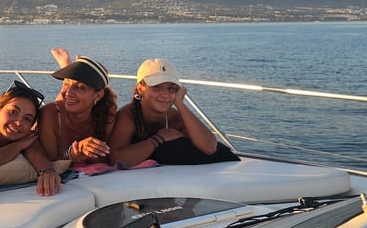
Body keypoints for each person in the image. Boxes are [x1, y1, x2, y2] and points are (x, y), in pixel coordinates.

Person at [108, 58, 239, 167]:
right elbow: (117, 159)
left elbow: (210, 148)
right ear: (140, 88)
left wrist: (180, 104)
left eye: (171, 89)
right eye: (157, 87)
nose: (165, 94)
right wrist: (158, 139)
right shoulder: (128, 115)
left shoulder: (174, 117)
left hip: (219, 165)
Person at [0, 80, 62, 196]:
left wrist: (48, 172)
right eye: (13, 112)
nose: (19, 122)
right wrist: (18, 146)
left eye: (27, 119)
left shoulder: (25, 137)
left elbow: (38, 155)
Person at [37, 49, 117, 165]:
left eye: (80, 87)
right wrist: (72, 153)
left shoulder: (107, 116)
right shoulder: (50, 114)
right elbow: (48, 161)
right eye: (66, 84)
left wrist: (90, 151)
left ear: (98, 95)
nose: (68, 92)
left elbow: (108, 158)